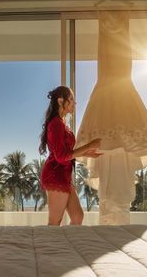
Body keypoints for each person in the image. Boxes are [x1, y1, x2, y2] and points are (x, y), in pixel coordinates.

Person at [39, 86, 102, 226]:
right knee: (55, 222)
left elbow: (66, 153)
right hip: (55, 175)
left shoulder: (61, 123)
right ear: (61, 101)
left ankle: (65, 245)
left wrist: (87, 153)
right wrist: (89, 145)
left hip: (64, 175)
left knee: (77, 217)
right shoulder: (56, 124)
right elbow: (61, 157)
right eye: (72, 99)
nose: (75, 102)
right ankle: (49, 247)